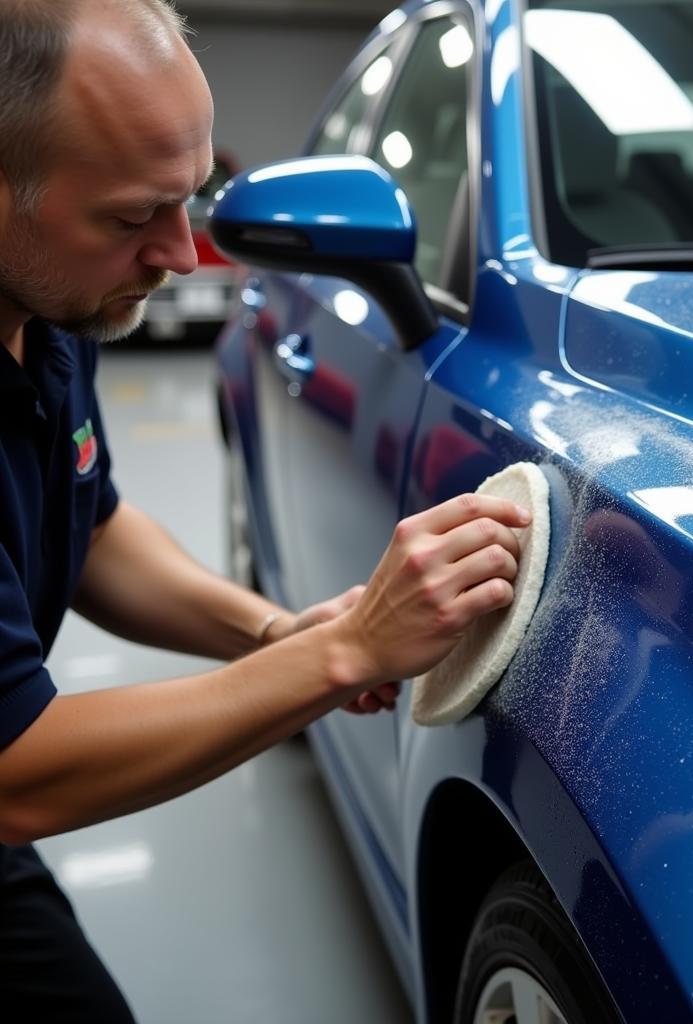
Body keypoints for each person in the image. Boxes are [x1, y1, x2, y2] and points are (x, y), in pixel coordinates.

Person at [0, 1, 530, 1019]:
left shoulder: (48, 310)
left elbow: (95, 524)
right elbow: (17, 770)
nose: (181, 252)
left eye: (186, 202)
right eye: (128, 218)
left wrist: (274, 629)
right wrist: (342, 655)